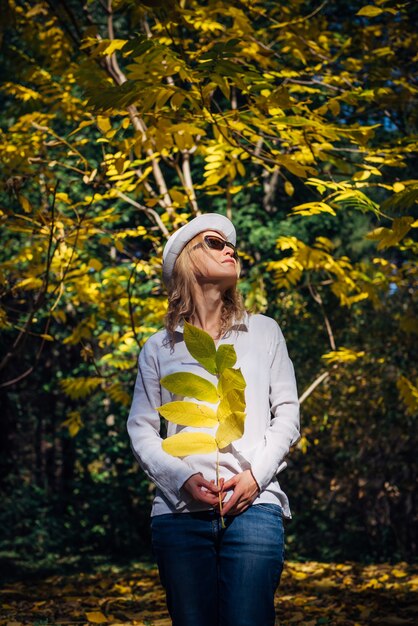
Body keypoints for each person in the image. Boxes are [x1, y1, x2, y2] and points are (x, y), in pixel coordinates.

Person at [127, 213, 300, 626]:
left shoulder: (263, 332)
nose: (230, 250)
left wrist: (256, 477)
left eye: (232, 247)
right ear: (186, 259)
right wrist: (179, 477)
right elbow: (141, 427)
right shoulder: (158, 348)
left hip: (255, 506)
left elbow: (288, 414)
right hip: (178, 510)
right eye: (215, 243)